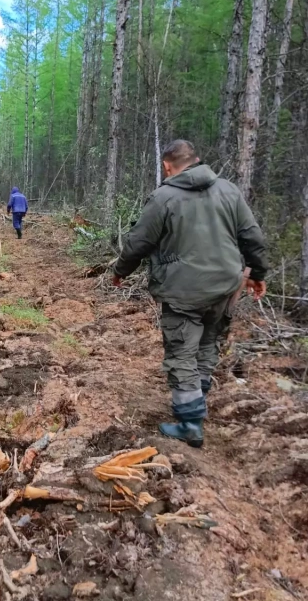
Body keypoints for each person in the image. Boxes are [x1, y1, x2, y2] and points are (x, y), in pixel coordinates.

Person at [112, 140, 268, 449]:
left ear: (167, 166)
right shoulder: (229, 191)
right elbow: (252, 236)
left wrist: (119, 271)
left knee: (182, 352)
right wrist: (258, 274)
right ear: (197, 161)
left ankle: (190, 424)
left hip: (184, 290)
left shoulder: (164, 197)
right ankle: (197, 400)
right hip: (226, 285)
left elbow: (138, 243)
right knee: (208, 343)